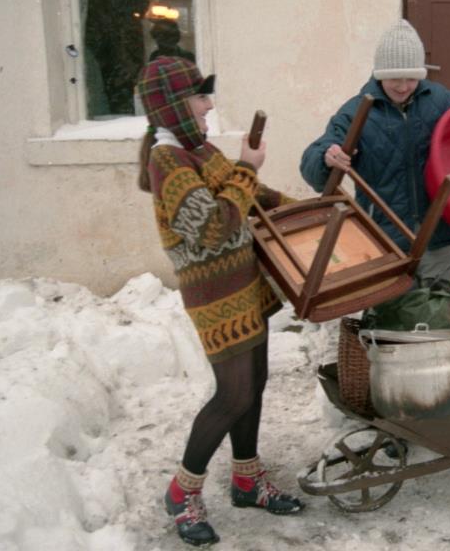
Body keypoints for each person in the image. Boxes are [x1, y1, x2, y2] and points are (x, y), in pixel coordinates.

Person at [136, 56, 304, 546]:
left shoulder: (199, 150)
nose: (209, 105)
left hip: (244, 286)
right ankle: (182, 491)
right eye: (199, 97)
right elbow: (213, 226)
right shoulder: (167, 161)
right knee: (233, 395)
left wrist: (316, 211)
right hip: (216, 299)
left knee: (255, 383)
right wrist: (246, 168)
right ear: (174, 106)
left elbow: (254, 195)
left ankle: (247, 480)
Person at [300, 19, 450, 290]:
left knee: (440, 308)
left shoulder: (440, 99)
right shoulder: (356, 111)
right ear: (379, 75)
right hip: (385, 239)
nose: (403, 86)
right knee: (387, 311)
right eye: (394, 79)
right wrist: (325, 157)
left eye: (411, 78)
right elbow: (313, 164)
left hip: (440, 235)